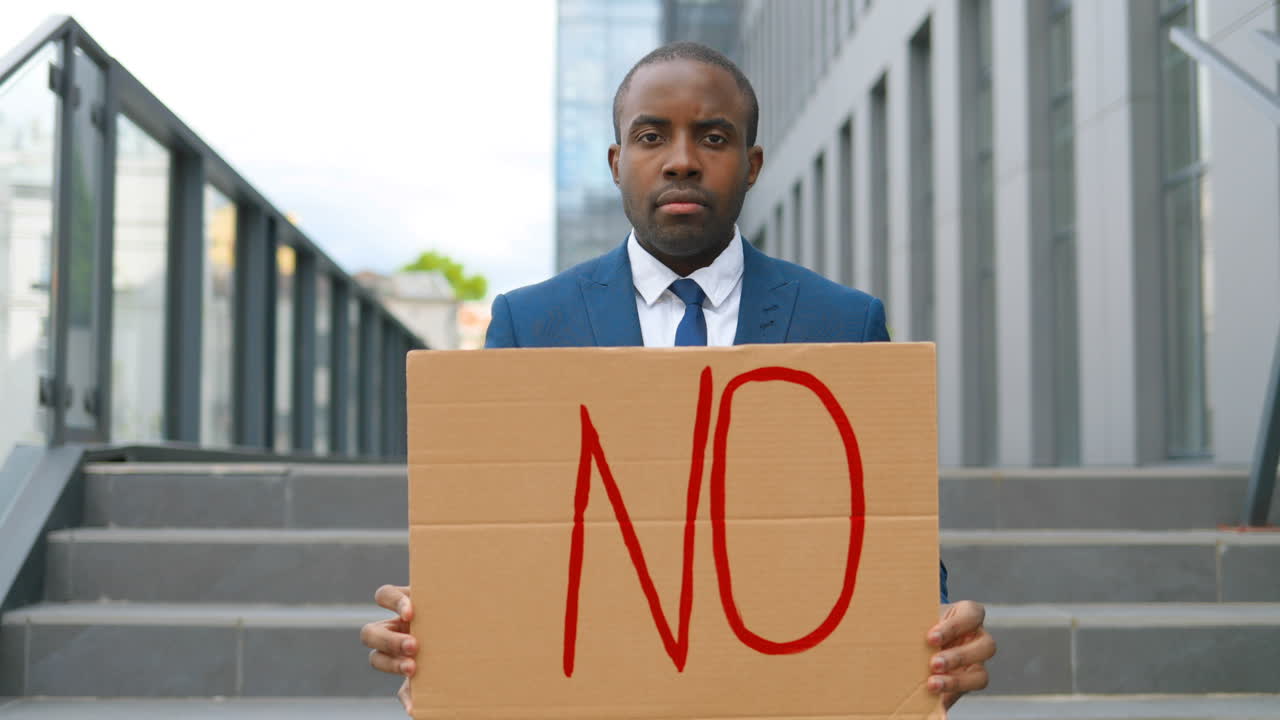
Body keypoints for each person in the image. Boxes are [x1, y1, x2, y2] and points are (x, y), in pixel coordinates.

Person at [361, 41, 996, 714]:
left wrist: (937, 634)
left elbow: (885, 541)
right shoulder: (529, 324)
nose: (683, 159)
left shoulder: (844, 322)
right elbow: (493, 539)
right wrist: (437, 632)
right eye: (651, 136)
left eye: (713, 137)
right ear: (617, 163)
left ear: (751, 166)